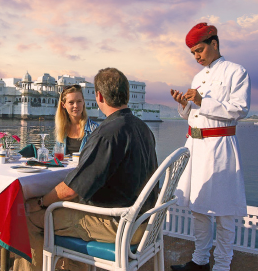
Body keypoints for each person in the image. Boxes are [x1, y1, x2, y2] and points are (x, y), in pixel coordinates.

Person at [13, 67, 158, 271]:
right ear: (127, 94)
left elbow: (72, 189)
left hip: (118, 224)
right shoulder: (143, 128)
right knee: (66, 206)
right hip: (146, 221)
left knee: (30, 216)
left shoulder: (107, 134)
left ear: (98, 96)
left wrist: (39, 202)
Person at [170, 23, 251, 271]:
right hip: (195, 147)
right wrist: (183, 104)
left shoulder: (236, 72)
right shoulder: (198, 76)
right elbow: (192, 115)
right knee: (198, 208)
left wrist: (203, 100)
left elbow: (240, 109)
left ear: (214, 44)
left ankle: (222, 265)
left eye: (199, 50)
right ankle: (200, 261)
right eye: (193, 52)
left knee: (224, 212)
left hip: (220, 148)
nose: (196, 56)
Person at [54, 84, 98, 156]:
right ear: (63, 105)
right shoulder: (61, 130)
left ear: (83, 102)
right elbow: (56, 157)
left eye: (79, 101)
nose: (76, 106)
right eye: (71, 102)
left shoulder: (95, 129)